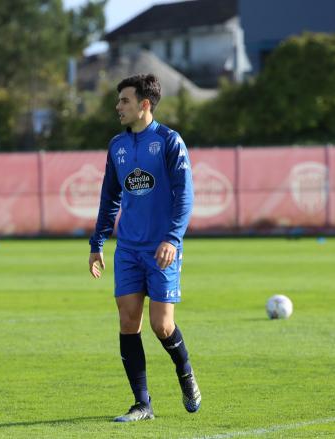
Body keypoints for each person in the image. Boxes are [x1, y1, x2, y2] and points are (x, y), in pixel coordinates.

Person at [88, 73, 200, 422]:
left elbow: (185, 196)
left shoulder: (168, 141)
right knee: (128, 321)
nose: (117, 106)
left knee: (161, 325)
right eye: (119, 100)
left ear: (144, 104)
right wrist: (98, 243)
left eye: (124, 100)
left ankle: (185, 373)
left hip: (161, 247)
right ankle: (142, 404)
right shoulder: (117, 146)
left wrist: (172, 238)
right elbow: (109, 197)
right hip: (129, 250)